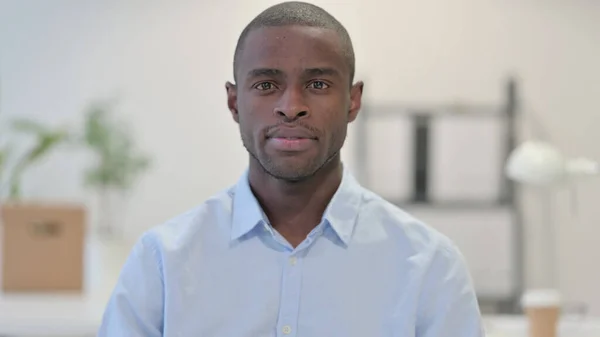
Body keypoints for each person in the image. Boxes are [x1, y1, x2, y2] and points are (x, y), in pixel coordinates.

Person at [98, 1, 484, 336]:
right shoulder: (164, 262)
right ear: (234, 103)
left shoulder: (428, 266)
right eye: (267, 85)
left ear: (353, 101)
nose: (291, 105)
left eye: (317, 84)